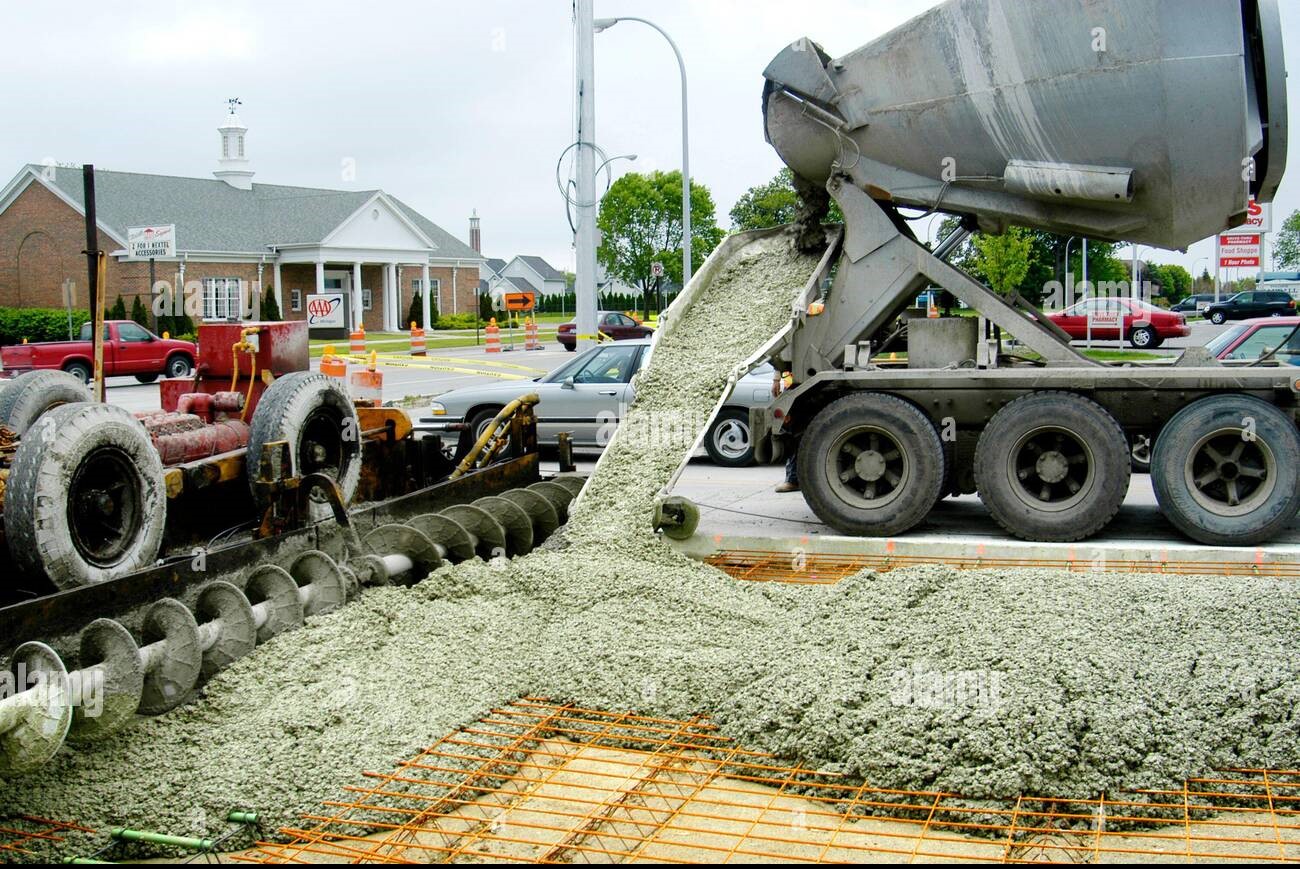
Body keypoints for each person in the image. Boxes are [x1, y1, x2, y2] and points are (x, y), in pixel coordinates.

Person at [772, 368, 799, 493]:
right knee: (794, 435)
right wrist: (776, 379)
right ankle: (793, 479)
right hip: (795, 387)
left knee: (796, 435)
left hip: (799, 386)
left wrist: (776, 379)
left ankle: (793, 479)